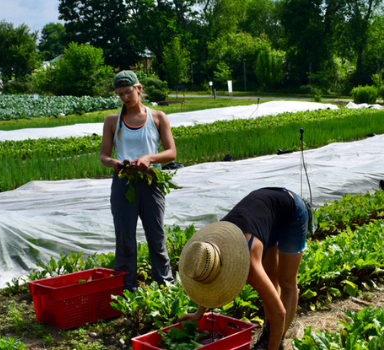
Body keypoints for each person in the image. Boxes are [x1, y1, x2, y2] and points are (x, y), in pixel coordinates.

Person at [179, 187, 312, 350]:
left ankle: (279, 339)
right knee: (270, 276)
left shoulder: (248, 264)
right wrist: (198, 314)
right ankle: (270, 333)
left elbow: (279, 313)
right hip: (263, 216)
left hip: (291, 209)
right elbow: (208, 271)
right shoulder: (212, 244)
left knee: (286, 280)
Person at [99, 70, 176, 292]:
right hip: (124, 184)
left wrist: (149, 158)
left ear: (139, 89)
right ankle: (126, 290)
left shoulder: (157, 117)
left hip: (152, 183)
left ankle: (165, 287)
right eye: (120, 93)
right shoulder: (113, 121)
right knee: (125, 239)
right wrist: (114, 162)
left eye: (128, 91)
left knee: (156, 236)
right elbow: (104, 156)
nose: (124, 97)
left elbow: (171, 152)